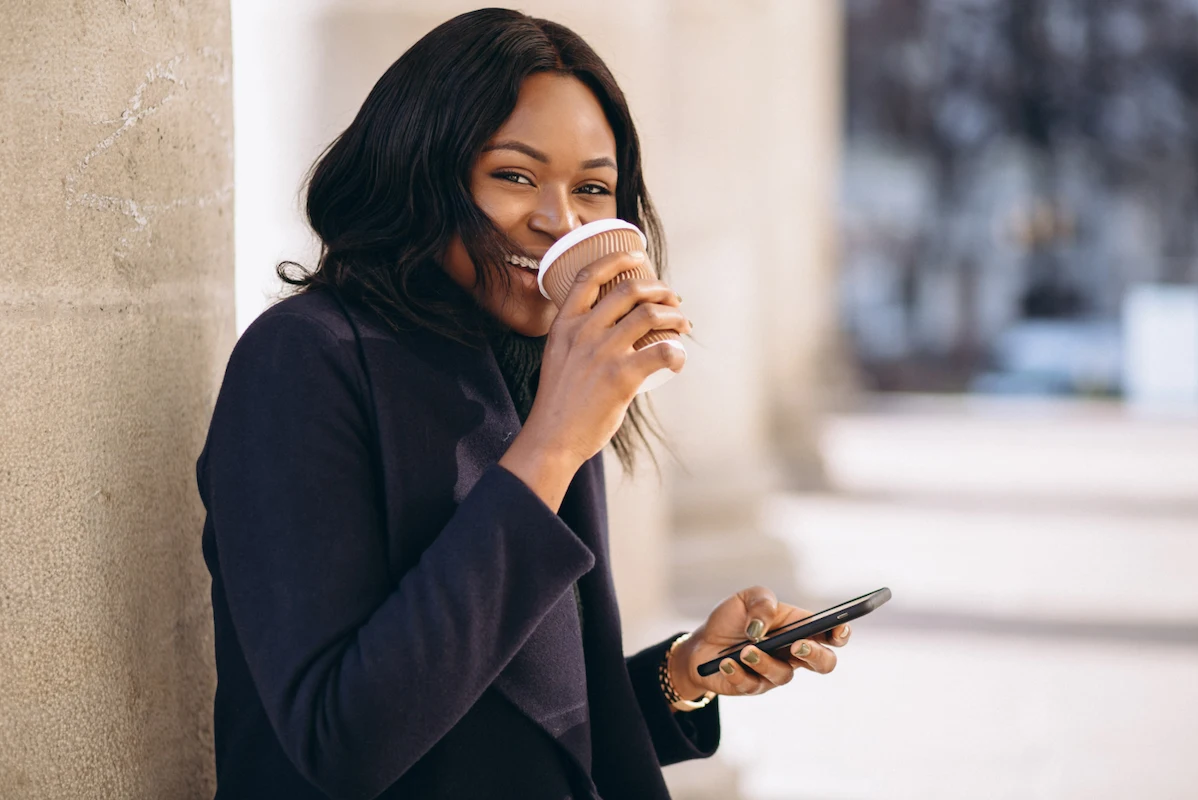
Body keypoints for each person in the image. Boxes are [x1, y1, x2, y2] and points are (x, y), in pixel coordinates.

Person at [197, 8, 851, 799]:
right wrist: (549, 446)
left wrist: (683, 675)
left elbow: (523, 724)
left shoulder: (532, 373)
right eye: (513, 175)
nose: (557, 220)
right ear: (421, 167)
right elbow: (345, 740)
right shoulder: (304, 359)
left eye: (592, 188)